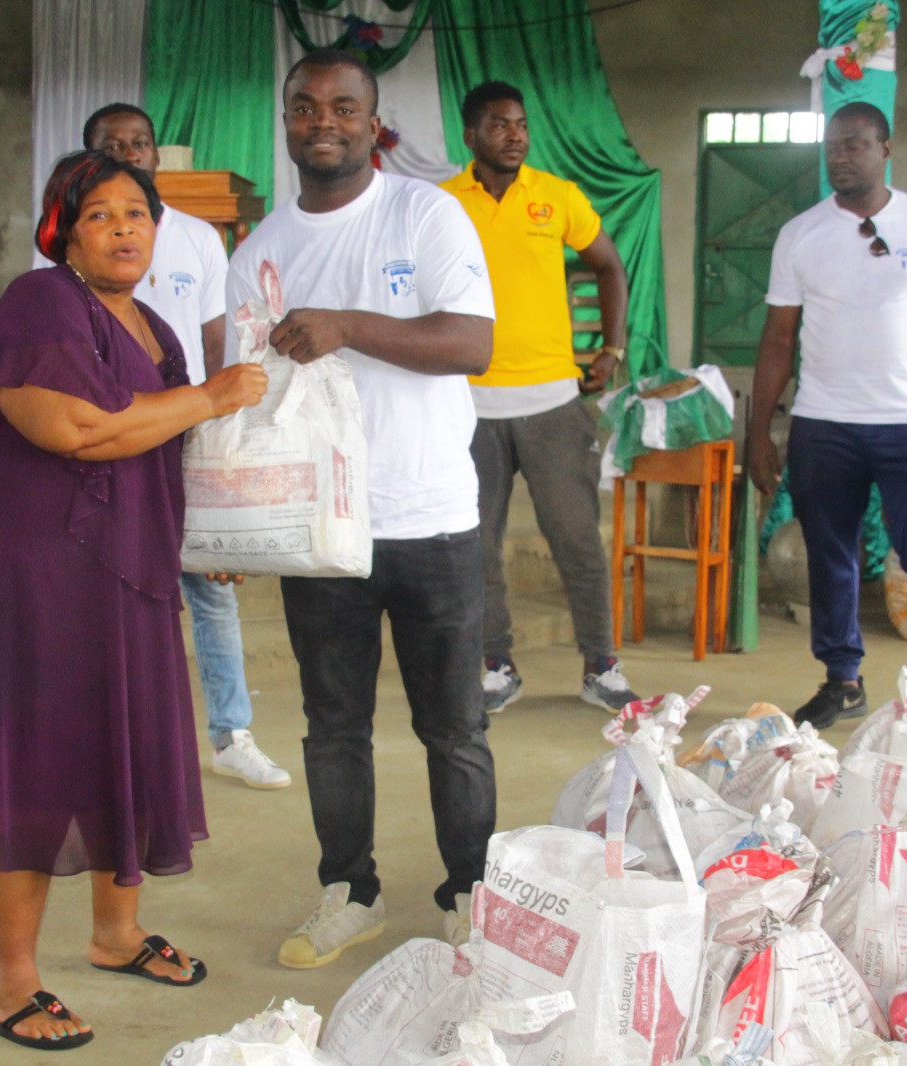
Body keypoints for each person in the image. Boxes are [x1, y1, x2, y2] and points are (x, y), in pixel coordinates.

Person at [0, 150, 267, 1049]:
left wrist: (209, 539)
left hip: (125, 558)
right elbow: (73, 430)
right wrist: (208, 395)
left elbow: (167, 445)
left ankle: (115, 935)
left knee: (131, 732)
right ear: (63, 231)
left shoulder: (154, 323)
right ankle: (10, 984)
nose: (123, 229)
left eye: (138, 215)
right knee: (35, 755)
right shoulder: (42, 303)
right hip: (27, 560)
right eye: (101, 214)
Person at [230, 49, 497, 969]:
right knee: (333, 726)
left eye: (344, 107)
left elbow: (473, 342)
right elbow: (246, 397)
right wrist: (231, 515)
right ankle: (350, 893)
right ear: (288, 120)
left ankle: (471, 895)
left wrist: (344, 324)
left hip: (432, 520)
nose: (323, 122)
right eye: (305, 107)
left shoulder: (426, 213)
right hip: (322, 535)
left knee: (454, 728)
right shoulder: (259, 252)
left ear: (373, 122)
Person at [747, 101, 907, 728]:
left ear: (886, 147)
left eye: (854, 144)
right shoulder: (801, 234)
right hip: (824, 425)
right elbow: (777, 340)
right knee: (831, 557)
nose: (840, 155)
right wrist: (758, 433)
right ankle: (842, 679)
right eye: (832, 145)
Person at [84, 102, 290, 789]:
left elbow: (214, 344)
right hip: (113, 433)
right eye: (111, 145)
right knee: (115, 587)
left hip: (187, 432)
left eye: (138, 143)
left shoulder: (199, 238)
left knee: (209, 588)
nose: (127, 154)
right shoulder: (73, 237)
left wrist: (218, 435)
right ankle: (123, 737)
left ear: (155, 156)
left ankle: (231, 734)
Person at [439, 81, 639, 715]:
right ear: (471, 136)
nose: (516, 134)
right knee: (476, 544)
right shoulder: (440, 205)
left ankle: (601, 666)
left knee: (577, 538)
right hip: (470, 406)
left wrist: (613, 349)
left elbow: (609, 265)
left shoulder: (557, 198)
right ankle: (496, 664)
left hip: (554, 402)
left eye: (521, 124)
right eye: (500, 125)